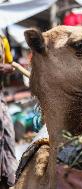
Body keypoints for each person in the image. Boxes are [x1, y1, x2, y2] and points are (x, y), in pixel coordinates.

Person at [0, 35, 17, 189]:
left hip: (0, 96)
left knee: (8, 136)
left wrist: (7, 68)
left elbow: (11, 65)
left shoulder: (2, 39)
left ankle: (9, 180)